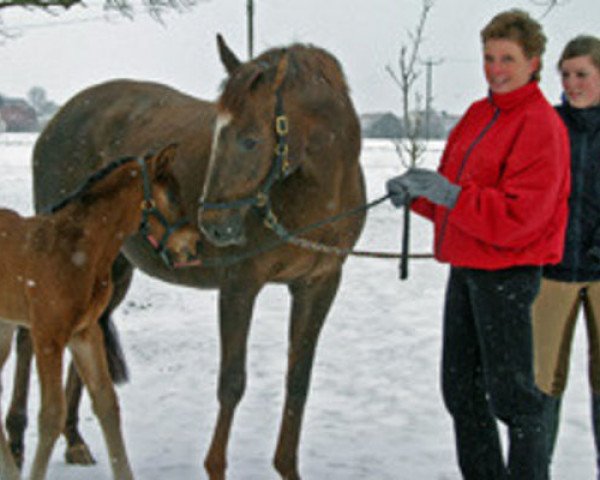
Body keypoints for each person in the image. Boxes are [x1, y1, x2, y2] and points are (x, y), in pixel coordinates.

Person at [386, 9, 571, 480]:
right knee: (461, 392)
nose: (496, 69)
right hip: (466, 268)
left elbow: (519, 219)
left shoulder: (540, 125)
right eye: (488, 58)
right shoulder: (477, 114)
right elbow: (455, 196)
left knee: (513, 399)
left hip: (508, 273)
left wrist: (450, 195)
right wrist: (419, 193)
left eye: (507, 58)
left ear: (533, 63)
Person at [531, 34, 600, 477]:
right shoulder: (547, 126)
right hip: (552, 272)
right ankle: (535, 469)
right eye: (566, 75)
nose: (572, 84)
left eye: (582, 75)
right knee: (541, 384)